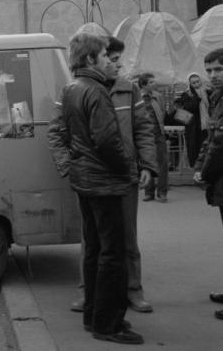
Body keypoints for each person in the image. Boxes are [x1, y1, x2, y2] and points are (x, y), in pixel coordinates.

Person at [50, 36, 157, 315]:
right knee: (94, 241)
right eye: (108, 57)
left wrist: (147, 165)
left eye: (116, 57)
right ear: (94, 59)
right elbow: (56, 134)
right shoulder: (75, 90)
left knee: (127, 238)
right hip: (98, 178)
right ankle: (89, 294)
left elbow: (143, 129)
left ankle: (133, 290)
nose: (113, 62)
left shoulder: (128, 90)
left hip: (126, 177)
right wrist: (68, 166)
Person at [192, 48, 223, 320]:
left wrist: (205, 172)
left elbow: (220, 143)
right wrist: (200, 166)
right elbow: (211, 137)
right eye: (209, 69)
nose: (212, 75)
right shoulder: (216, 97)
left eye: (218, 69)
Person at [138, 72, 169, 203]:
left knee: (163, 163)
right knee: (147, 162)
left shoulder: (159, 97)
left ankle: (162, 192)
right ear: (143, 85)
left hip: (158, 133)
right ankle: (149, 192)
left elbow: (162, 112)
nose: (154, 84)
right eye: (151, 82)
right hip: (145, 135)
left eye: (153, 81)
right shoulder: (138, 98)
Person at [176, 73, 209, 169]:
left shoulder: (206, 92)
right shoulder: (187, 94)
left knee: (206, 150)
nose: (196, 84)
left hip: (206, 126)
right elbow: (189, 108)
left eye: (198, 81)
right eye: (193, 83)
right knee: (194, 150)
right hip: (193, 128)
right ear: (190, 84)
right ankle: (196, 171)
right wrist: (197, 96)